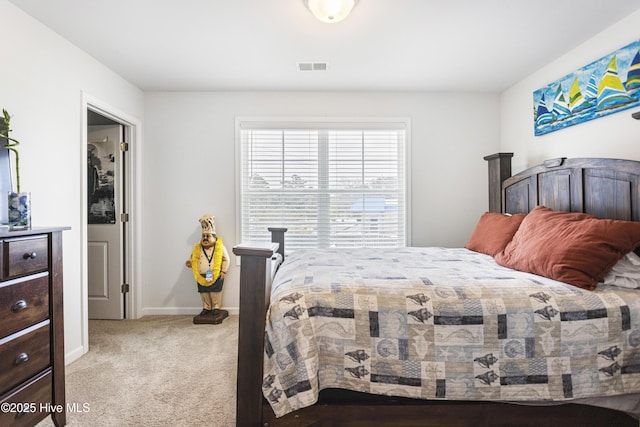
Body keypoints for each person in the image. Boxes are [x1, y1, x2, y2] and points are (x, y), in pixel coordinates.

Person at [185, 214, 229, 324]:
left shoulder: (219, 247)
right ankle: (206, 307)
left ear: (214, 237)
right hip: (201, 276)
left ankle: (216, 307)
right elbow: (193, 258)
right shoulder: (197, 249)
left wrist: (223, 271)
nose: (205, 239)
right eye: (203, 237)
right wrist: (190, 262)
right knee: (204, 293)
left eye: (207, 236)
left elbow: (226, 259)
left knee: (215, 292)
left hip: (214, 274)